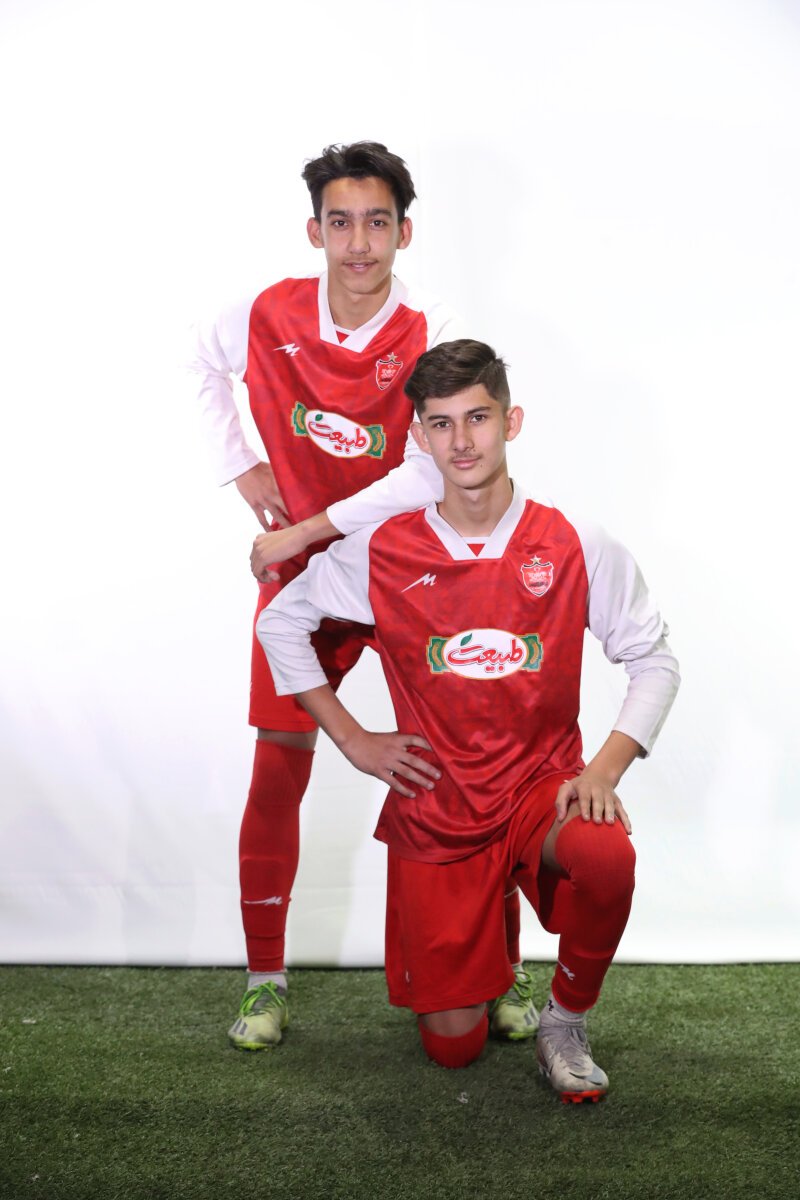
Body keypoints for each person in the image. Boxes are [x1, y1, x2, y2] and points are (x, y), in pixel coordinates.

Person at [258, 339, 680, 1101]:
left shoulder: (575, 541)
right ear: (419, 436)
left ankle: (564, 1021)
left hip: (539, 790)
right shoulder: (383, 549)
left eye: (478, 418)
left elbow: (654, 660)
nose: (462, 440)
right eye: (441, 422)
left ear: (510, 421)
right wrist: (351, 738)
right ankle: (493, 953)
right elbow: (280, 622)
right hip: (439, 803)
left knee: (605, 856)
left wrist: (602, 771)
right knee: (453, 1049)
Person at [187, 144, 536, 1050]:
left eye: (377, 222)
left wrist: (306, 528)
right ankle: (265, 983)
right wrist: (241, 464)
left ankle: (505, 968)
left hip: (415, 566)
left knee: (471, 767)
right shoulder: (264, 312)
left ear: (404, 233)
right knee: (278, 765)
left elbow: (429, 467)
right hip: (305, 577)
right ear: (315, 231)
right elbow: (199, 360)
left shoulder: (432, 327)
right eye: (340, 222)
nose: (358, 243)